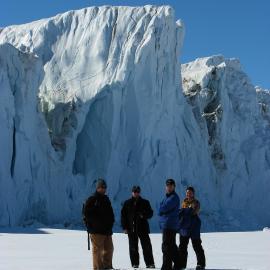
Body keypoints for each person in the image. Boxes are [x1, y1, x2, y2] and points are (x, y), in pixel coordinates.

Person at [83, 179, 115, 270]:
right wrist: (94, 224)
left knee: (109, 249)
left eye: (105, 187)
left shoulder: (106, 199)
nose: (104, 189)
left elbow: (111, 214)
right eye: (102, 187)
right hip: (96, 230)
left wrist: (111, 222)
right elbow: (86, 213)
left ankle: (107, 266)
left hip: (107, 230)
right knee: (97, 251)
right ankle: (98, 268)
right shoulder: (92, 199)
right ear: (97, 188)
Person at [121, 186, 155, 269]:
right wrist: (124, 227)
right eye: (134, 191)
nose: (136, 193)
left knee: (147, 247)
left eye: (137, 191)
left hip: (143, 228)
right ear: (132, 192)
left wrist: (143, 215)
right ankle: (135, 264)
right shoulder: (127, 203)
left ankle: (150, 263)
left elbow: (150, 213)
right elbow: (123, 216)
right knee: (133, 247)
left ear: (139, 192)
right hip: (131, 228)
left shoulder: (145, 202)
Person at [178, 186, 206, 270]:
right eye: (187, 193)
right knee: (182, 247)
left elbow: (194, 212)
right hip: (184, 228)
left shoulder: (196, 202)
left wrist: (184, 211)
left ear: (193, 194)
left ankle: (201, 264)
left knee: (197, 246)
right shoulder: (184, 203)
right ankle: (182, 264)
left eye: (190, 193)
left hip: (194, 228)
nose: (188, 194)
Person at [158, 179, 181, 270]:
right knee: (171, 246)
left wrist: (162, 209)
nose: (169, 187)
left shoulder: (174, 197)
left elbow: (163, 208)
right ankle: (178, 264)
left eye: (171, 186)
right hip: (167, 225)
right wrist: (162, 209)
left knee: (166, 246)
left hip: (169, 225)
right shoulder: (167, 197)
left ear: (174, 187)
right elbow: (162, 207)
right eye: (168, 186)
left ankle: (167, 266)